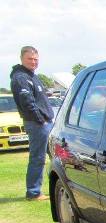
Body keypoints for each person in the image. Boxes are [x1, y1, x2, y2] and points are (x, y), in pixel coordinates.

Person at [10, 46, 54, 201]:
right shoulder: (21, 77)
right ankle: (33, 192)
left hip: (45, 123)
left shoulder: (32, 76)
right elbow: (27, 102)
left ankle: (58, 185)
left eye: (36, 59)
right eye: (30, 59)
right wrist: (40, 120)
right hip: (37, 124)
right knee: (38, 158)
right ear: (22, 59)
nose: (33, 62)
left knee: (56, 155)